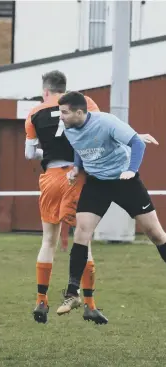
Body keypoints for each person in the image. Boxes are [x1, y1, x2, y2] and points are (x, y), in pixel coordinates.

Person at [58, 91, 166, 324]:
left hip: (125, 181)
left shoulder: (105, 121)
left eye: (64, 112)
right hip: (97, 183)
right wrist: (77, 169)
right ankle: (72, 293)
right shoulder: (68, 127)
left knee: (156, 234)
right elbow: (80, 146)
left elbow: (136, 143)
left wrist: (131, 169)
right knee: (81, 232)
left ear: (80, 111)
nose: (61, 116)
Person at [25, 71, 101, 323]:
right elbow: (97, 135)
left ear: (45, 91)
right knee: (84, 240)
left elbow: (29, 154)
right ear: (66, 88)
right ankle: (89, 304)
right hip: (78, 176)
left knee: (48, 240)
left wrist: (46, 150)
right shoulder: (85, 103)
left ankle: (41, 300)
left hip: (51, 177)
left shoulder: (35, 112)